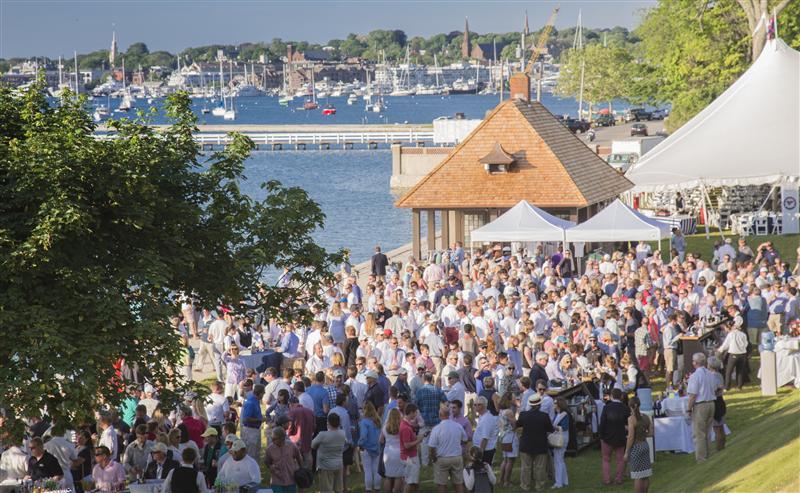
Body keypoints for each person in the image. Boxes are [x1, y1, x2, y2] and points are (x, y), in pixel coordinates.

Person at [686, 352, 721, 462]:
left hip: (701, 405)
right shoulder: (710, 374)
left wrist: (688, 409)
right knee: (707, 431)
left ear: (695, 363)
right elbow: (716, 388)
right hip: (711, 403)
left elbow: (693, 395)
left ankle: (701, 458)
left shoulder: (695, 376)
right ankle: (707, 454)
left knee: (699, 433)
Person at [428, 405, 467, 493]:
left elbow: (431, 446)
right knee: (459, 483)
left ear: (440, 415)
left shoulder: (437, 429)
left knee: (441, 484)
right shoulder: (458, 426)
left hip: (442, 458)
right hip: (456, 457)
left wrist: (433, 458)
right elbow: (465, 439)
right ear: (449, 414)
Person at [598, 388, 629, 485]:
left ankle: (607, 479)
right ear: (621, 396)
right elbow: (628, 423)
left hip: (607, 437)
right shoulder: (625, 408)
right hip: (620, 437)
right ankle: (618, 478)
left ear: (611, 396)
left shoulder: (606, 407)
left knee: (606, 459)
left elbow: (602, 422)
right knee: (620, 459)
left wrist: (601, 435)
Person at [311, 412, 346, 493]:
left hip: (325, 466)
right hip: (338, 464)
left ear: (328, 422)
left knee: (326, 490)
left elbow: (312, 445)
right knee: (339, 489)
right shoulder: (342, 433)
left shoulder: (322, 435)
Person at [624, 396, 652, 493]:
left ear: (630, 407)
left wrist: (627, 452)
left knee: (637, 476)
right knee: (645, 474)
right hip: (644, 445)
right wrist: (643, 434)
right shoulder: (646, 417)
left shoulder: (631, 419)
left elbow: (631, 437)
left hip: (636, 447)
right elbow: (651, 433)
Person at [717, 308, 749, 390]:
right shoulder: (743, 334)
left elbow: (726, 344)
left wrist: (720, 350)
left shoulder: (731, 334)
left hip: (734, 354)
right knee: (740, 371)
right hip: (743, 354)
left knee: (729, 371)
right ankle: (739, 386)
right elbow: (746, 344)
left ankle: (727, 387)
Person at [265, 427, 303, 493]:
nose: (272, 441)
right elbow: (267, 461)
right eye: (272, 438)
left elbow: (299, 458)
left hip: (290, 479)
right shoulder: (270, 449)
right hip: (276, 480)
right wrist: (270, 467)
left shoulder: (292, 446)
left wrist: (301, 471)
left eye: (275, 439)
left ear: (282, 438)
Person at [399, 403, 425, 493]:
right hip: (410, 457)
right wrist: (419, 440)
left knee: (413, 481)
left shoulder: (406, 424)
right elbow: (406, 445)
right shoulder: (406, 427)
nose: (416, 415)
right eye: (415, 413)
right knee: (410, 482)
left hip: (409, 456)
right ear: (411, 412)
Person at [357, 402, 382, 493]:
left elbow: (363, 435)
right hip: (377, 447)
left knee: (367, 470)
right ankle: (377, 488)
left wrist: (360, 444)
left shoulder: (364, 422)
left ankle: (368, 489)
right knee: (376, 469)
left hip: (366, 448)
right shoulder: (378, 420)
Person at [496, 394, 517, 488]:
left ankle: (501, 479)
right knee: (510, 460)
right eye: (513, 397)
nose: (514, 399)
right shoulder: (509, 412)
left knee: (505, 459)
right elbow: (515, 425)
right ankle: (506, 481)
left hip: (503, 437)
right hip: (510, 436)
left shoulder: (501, 411)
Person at [381, 408, 404, 493]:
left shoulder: (385, 427)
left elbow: (381, 440)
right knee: (398, 476)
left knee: (388, 476)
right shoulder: (402, 426)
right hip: (398, 452)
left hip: (388, 453)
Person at [471, 396, 499, 466]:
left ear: (483, 406)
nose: (475, 406)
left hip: (485, 451)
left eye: (478, 404)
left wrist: (480, 455)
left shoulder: (487, 419)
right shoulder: (482, 416)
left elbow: (485, 438)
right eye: (474, 404)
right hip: (481, 450)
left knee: (484, 473)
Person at [240, 384, 265, 460]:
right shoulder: (251, 402)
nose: (263, 395)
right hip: (250, 431)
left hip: (255, 430)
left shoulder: (256, 400)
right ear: (260, 393)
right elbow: (246, 418)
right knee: (251, 454)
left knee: (256, 452)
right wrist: (259, 419)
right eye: (263, 393)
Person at [551, 397, 570, 489]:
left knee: (558, 460)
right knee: (559, 460)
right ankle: (564, 480)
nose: (554, 405)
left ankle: (559, 483)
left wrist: (554, 427)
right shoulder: (558, 414)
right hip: (559, 438)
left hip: (562, 438)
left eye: (555, 403)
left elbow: (565, 427)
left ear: (559, 405)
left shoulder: (564, 414)